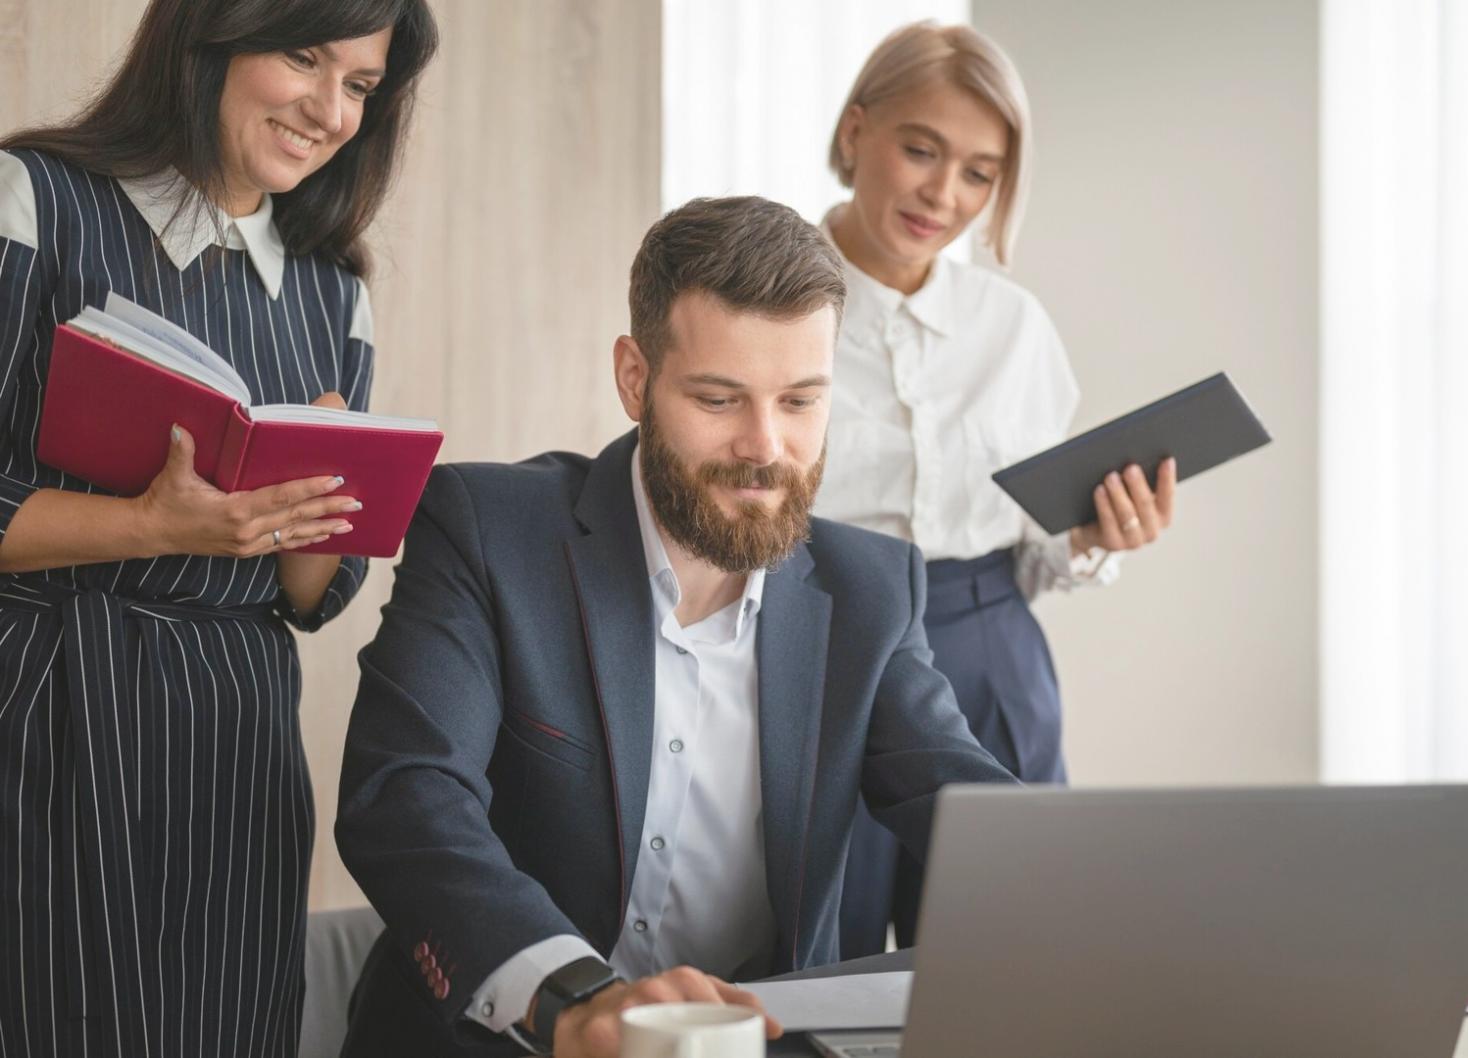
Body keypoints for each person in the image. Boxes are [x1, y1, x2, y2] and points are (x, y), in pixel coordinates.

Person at [334, 196, 1015, 1058]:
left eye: (801, 401)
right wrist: (578, 1001)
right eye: (720, 399)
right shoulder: (486, 531)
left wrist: (1130, 910)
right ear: (634, 379)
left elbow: (973, 810)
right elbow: (406, 798)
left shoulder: (874, 593)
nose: (765, 446)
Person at [0, 1, 437, 1054]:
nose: (330, 109)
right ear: (209, 37)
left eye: (361, 86)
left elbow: (311, 596)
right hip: (54, 703)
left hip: (236, 736)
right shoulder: (37, 201)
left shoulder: (333, 292)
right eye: (303, 57)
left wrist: (327, 495)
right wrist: (151, 524)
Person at [816, 21, 1179, 957]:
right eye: (921, 149)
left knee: (1013, 953)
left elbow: (1037, 544)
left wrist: (1098, 535)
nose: (944, 193)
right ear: (857, 132)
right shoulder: (770, 296)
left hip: (989, 651)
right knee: (820, 949)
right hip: (820, 646)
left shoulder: (1012, 327)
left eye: (979, 172)